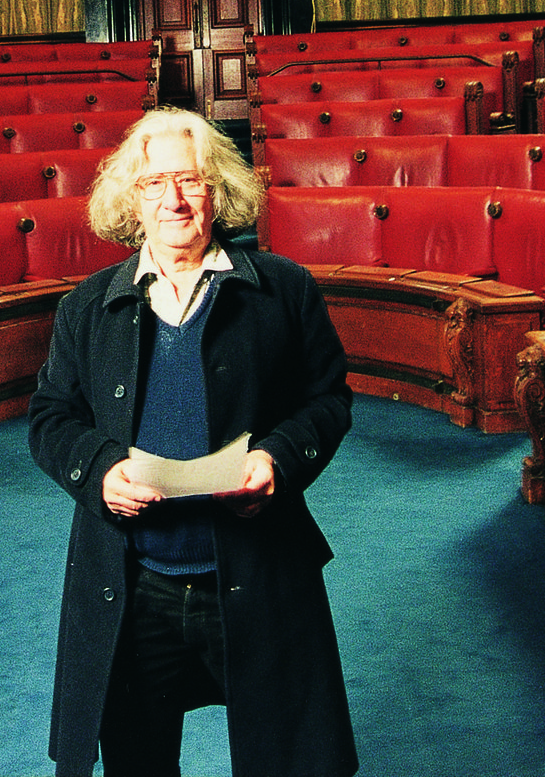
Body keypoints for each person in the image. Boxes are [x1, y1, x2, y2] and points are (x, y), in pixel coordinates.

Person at [28, 107, 359, 777]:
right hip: (132, 581)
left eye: (191, 180)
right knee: (136, 762)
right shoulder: (86, 306)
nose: (174, 199)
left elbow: (328, 400)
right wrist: (97, 470)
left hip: (256, 570)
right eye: (154, 183)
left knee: (286, 757)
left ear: (220, 191)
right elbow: (50, 417)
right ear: (132, 198)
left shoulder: (285, 290)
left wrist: (278, 458)